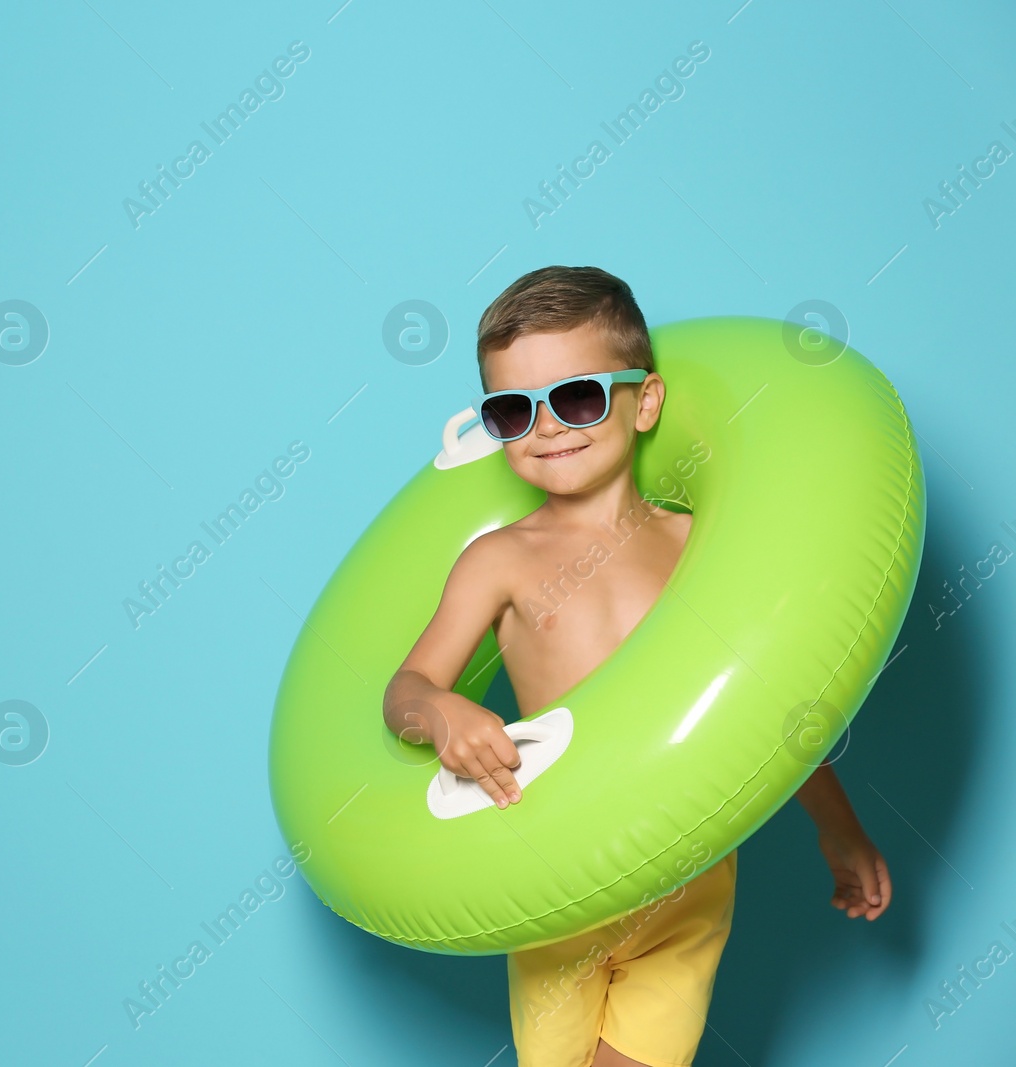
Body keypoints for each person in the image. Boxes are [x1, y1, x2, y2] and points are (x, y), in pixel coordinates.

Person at [381, 265, 892, 1067]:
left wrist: (840, 828)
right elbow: (405, 690)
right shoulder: (498, 562)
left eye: (577, 397)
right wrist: (443, 713)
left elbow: (765, 711)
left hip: (687, 882)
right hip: (556, 880)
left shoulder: (701, 548)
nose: (549, 428)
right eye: (514, 410)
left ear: (644, 401)